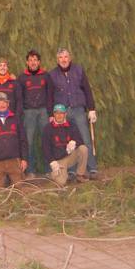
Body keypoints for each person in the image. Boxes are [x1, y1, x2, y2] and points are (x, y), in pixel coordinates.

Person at [49, 47, 97, 178]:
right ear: (57, 60)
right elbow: (50, 96)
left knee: (85, 139)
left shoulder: (79, 70)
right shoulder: (52, 74)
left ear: (69, 58)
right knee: (67, 141)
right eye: (60, 57)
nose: (63, 60)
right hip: (62, 113)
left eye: (65, 57)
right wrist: (51, 115)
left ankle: (92, 168)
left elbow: (87, 89)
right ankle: (70, 170)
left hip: (78, 110)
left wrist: (91, 108)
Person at [16, 49, 53, 176]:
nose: (33, 62)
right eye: (30, 60)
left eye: (35, 60)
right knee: (29, 142)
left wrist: (51, 113)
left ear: (39, 62)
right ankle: (30, 170)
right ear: (27, 62)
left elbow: (50, 96)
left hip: (43, 111)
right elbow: (19, 98)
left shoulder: (46, 76)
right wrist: (20, 114)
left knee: (46, 140)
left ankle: (49, 169)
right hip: (28, 112)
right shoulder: (21, 78)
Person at [0, 92, 28, 187]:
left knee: (19, 188)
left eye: (4, 102)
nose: (2, 105)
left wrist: (24, 159)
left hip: (14, 160)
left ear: (8, 104)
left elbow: (23, 140)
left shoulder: (16, 119)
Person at [42, 103, 89, 187]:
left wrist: (74, 143)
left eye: (61, 113)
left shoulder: (71, 125)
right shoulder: (48, 128)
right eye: (57, 113)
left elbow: (80, 140)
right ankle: (54, 174)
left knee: (83, 149)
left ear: (65, 114)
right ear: (54, 114)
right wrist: (52, 161)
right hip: (58, 161)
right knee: (61, 183)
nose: (59, 115)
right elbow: (46, 148)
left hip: (70, 156)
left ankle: (80, 174)